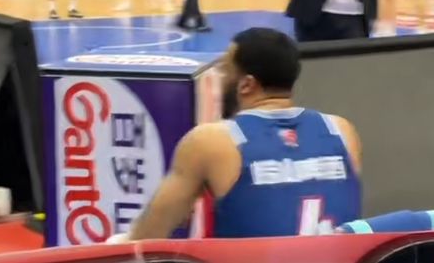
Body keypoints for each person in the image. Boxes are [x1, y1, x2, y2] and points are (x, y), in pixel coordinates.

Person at [121, 28, 361, 240]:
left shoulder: (211, 141)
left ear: (246, 85)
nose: (218, 78)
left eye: (224, 70)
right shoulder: (341, 130)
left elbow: (147, 238)